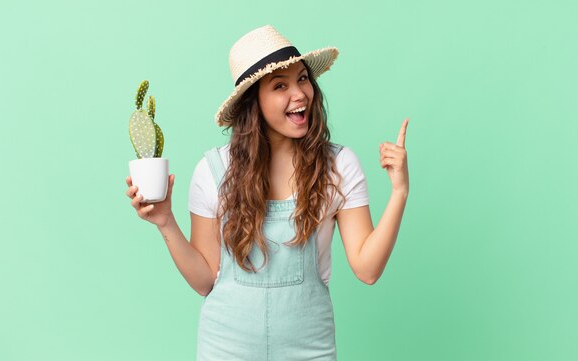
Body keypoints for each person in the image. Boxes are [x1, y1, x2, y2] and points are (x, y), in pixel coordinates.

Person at [125, 25, 409, 361]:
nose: (300, 93)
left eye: (303, 79)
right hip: (225, 349)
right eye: (280, 86)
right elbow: (204, 280)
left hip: (310, 350)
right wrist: (165, 222)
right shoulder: (214, 171)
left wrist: (399, 192)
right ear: (253, 102)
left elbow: (368, 268)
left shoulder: (338, 166)